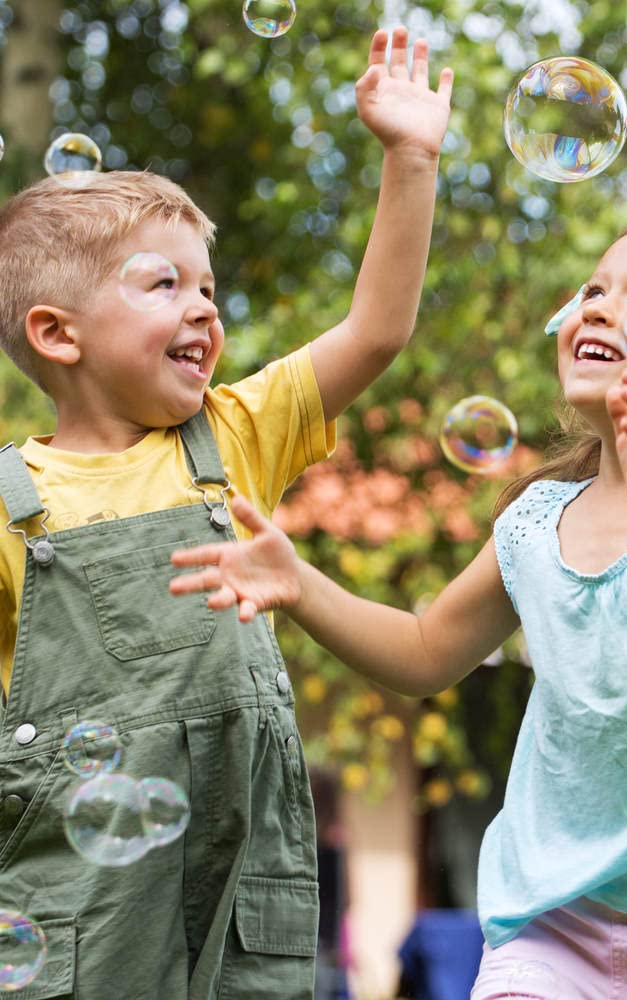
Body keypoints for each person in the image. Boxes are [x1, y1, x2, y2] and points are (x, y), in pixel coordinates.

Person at [169, 175, 627, 999]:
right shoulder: (533, 522)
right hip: (547, 922)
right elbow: (422, 652)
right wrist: (297, 581)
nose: (596, 305)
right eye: (592, 288)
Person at [0, 26, 451, 999]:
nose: (205, 307)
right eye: (164, 284)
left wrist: (410, 159)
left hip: (243, 901)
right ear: (55, 333)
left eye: (210, 286)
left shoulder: (231, 438)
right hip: (77, 917)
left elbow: (377, 331)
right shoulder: (8, 507)